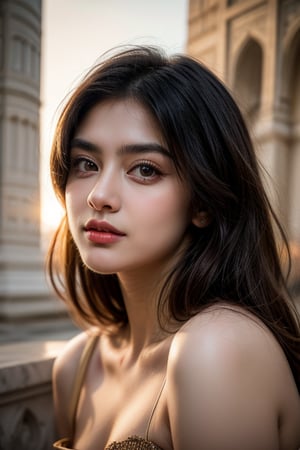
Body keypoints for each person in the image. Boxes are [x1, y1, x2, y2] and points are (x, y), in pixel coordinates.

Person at [48, 46, 300, 450]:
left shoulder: (217, 350)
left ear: (202, 203)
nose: (99, 195)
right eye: (85, 163)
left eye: (145, 169)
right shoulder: (76, 366)